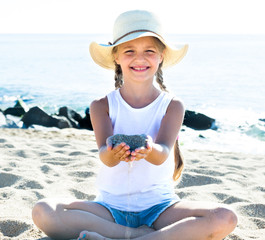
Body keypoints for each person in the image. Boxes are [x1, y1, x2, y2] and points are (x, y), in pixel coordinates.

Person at [32, 10, 237, 240]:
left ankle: (121, 237)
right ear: (117, 57)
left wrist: (148, 149)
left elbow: (162, 154)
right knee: (44, 210)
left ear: (160, 56)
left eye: (149, 51)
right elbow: (105, 158)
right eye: (129, 51)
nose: (140, 59)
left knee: (225, 217)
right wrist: (114, 152)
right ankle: (136, 235)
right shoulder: (102, 106)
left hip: (160, 208)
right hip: (110, 208)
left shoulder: (172, 106)